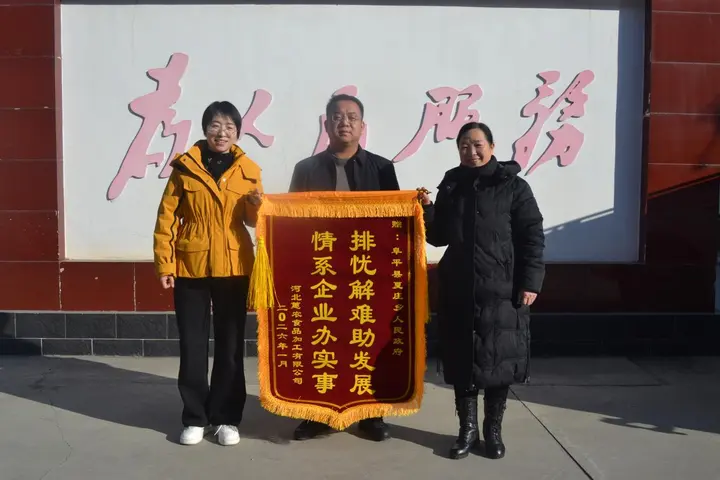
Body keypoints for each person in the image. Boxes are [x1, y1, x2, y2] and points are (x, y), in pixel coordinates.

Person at [418, 121, 545, 460]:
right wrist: (427, 210)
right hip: (459, 288)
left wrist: (531, 282)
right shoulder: (451, 185)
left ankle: (493, 431)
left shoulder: (514, 187)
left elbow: (532, 236)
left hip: (502, 289)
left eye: (477, 144)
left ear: (491, 146)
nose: (471, 151)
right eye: (464, 145)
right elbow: (439, 237)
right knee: (463, 361)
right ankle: (468, 430)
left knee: (498, 361)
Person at [288, 94, 399, 441]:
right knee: (323, 341)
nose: (344, 122)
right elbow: (289, 221)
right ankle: (319, 414)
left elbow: (396, 221)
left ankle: (371, 414)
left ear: (363, 126)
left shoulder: (382, 169)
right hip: (322, 271)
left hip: (368, 271)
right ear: (327, 124)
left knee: (369, 341)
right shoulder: (306, 169)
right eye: (337, 116)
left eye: (352, 117)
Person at [153, 101, 263, 447]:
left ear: (238, 133)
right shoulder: (185, 168)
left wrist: (256, 206)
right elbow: (166, 218)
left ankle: (227, 418)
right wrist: (165, 264)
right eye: (216, 125)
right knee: (192, 344)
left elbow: (253, 222)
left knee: (230, 345)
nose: (222, 133)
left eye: (229, 127)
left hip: (234, 264)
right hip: (191, 264)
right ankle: (195, 418)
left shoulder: (249, 170)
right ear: (205, 129)